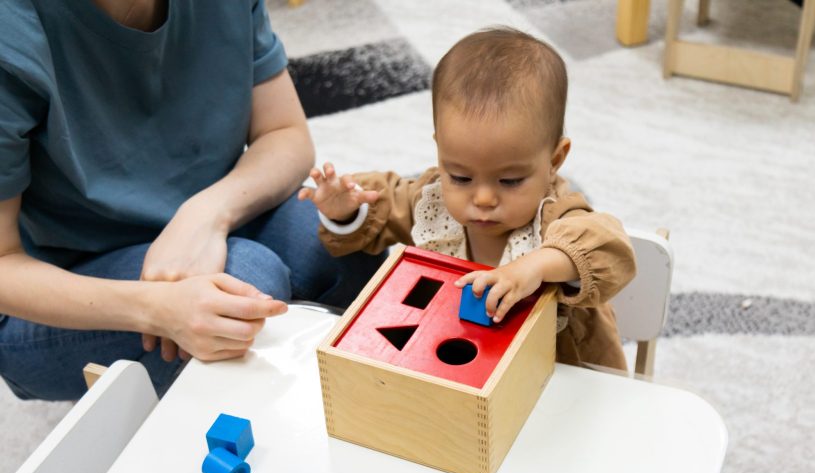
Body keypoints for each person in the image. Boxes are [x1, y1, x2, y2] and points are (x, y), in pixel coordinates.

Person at [0, 0, 383, 401]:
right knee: (244, 284)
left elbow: (284, 132)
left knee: (343, 238)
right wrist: (154, 307)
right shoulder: (15, 31)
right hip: (61, 284)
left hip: (207, 216)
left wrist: (205, 215)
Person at [299, 27, 637, 370]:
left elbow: (608, 248)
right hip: (459, 369)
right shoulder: (431, 200)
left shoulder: (554, 215)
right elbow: (381, 208)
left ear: (554, 161)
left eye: (510, 180)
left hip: (561, 377)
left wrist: (534, 267)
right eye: (460, 176)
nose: (484, 198)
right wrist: (344, 211)